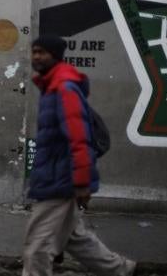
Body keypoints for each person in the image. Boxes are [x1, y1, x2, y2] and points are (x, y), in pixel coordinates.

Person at [22, 35, 135, 276]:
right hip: (57, 177)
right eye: (34, 51)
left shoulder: (64, 88)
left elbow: (80, 140)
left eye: (42, 52)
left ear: (56, 55)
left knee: (38, 249)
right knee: (76, 239)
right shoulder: (53, 86)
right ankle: (122, 270)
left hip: (60, 181)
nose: (36, 56)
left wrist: (82, 183)